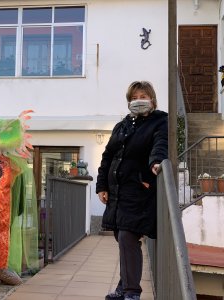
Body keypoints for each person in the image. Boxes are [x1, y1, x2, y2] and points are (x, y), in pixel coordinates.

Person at [96, 81, 168, 300]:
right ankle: (123, 285)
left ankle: (131, 293)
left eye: (143, 96)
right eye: (135, 96)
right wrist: (101, 185)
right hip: (117, 192)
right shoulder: (122, 126)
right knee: (122, 236)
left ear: (152, 99)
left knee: (128, 236)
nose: (139, 100)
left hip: (139, 190)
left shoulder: (160, 121)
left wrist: (157, 161)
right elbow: (108, 156)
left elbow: (161, 144)